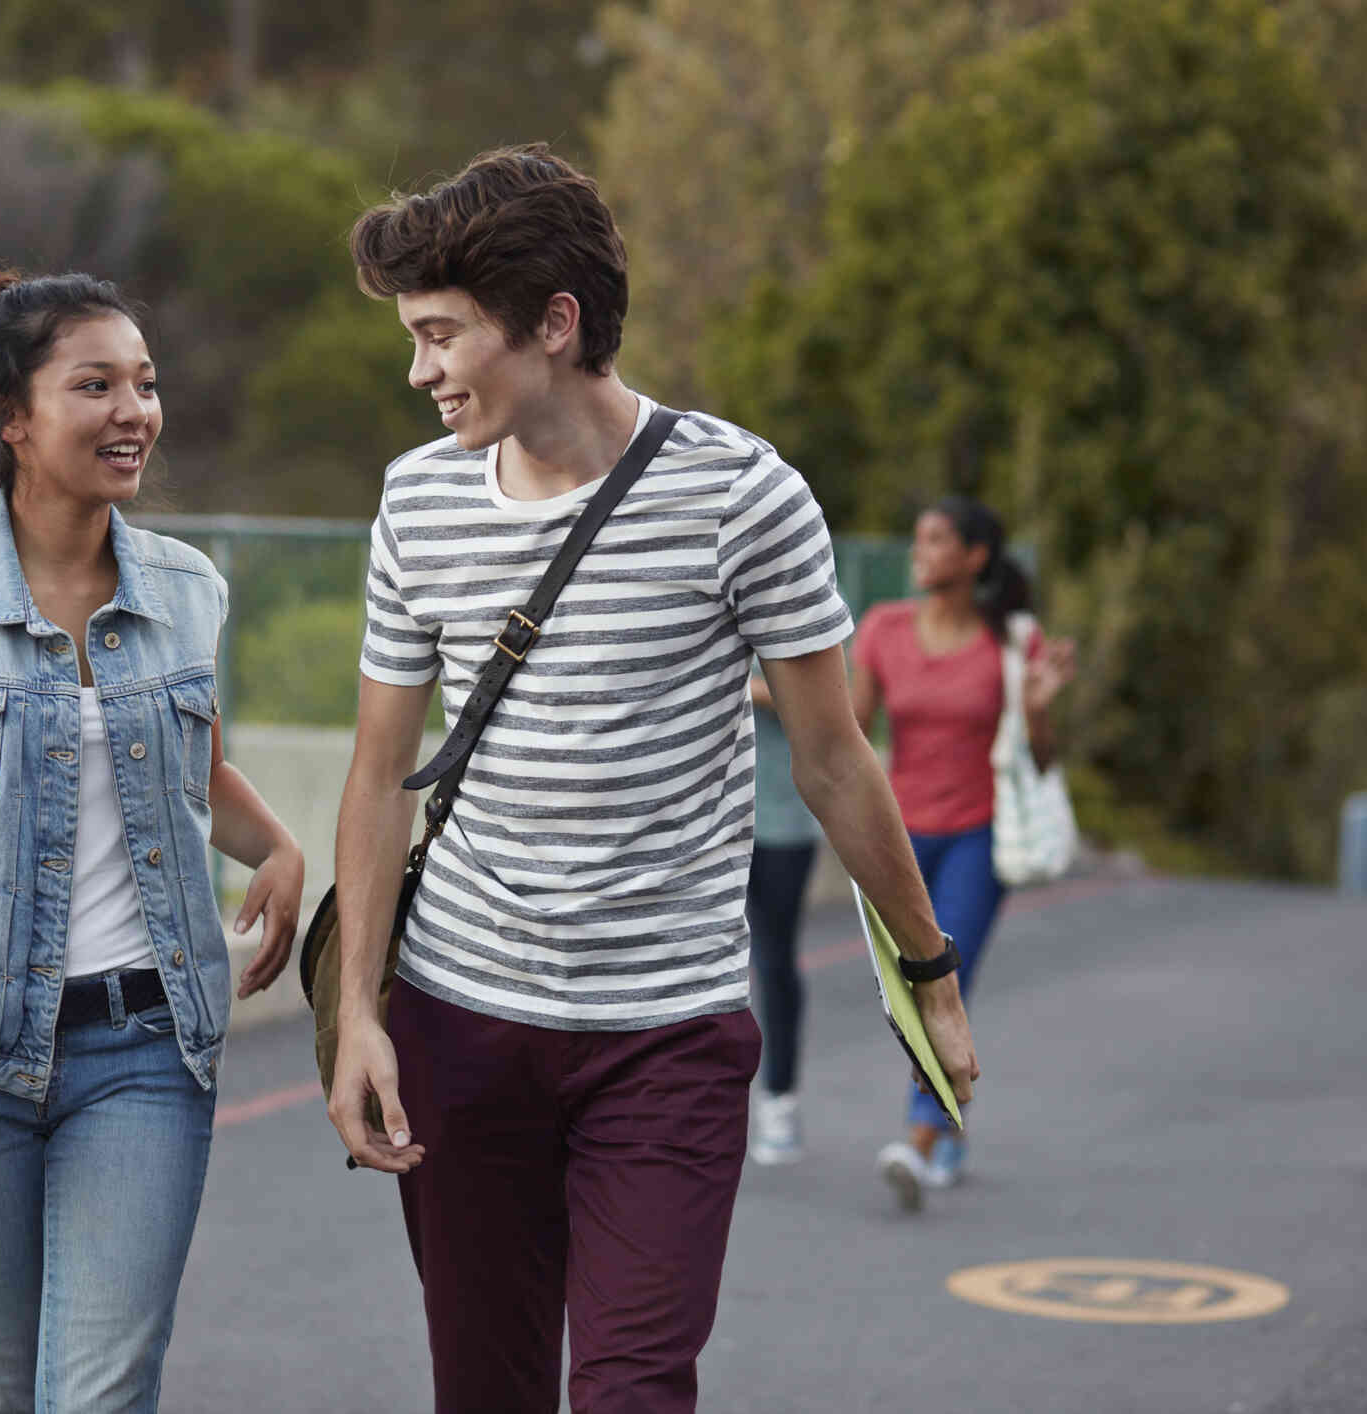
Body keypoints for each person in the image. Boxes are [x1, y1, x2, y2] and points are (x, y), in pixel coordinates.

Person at [324, 145, 978, 1414]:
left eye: (443, 335)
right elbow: (380, 768)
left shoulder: (744, 494)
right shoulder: (416, 501)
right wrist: (360, 1013)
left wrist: (931, 971)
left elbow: (835, 758)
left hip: (665, 1037)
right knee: (487, 1389)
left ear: (554, 324)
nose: (420, 372)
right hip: (459, 1021)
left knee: (633, 1388)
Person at [0, 265, 304, 1413]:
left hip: (143, 1052)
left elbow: (192, 769)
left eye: (145, 382)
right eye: (97, 386)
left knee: (103, 1389)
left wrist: (275, 843)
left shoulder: (188, 589)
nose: (135, 410)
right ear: (9, 417)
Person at [851, 494, 1074, 1211]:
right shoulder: (883, 629)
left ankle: (919, 1142)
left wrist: (1036, 708)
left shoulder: (1011, 641)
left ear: (974, 557)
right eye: (917, 539)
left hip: (978, 836)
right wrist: (756, 691)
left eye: (937, 540)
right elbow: (847, 732)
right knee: (911, 987)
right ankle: (949, 1127)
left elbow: (1038, 761)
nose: (919, 552)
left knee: (940, 978)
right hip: (898, 838)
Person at [744, 663, 824, 1166]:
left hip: (783, 825)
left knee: (774, 962)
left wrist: (744, 685)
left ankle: (779, 1098)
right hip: (708, 821)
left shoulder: (788, 607)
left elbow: (822, 702)